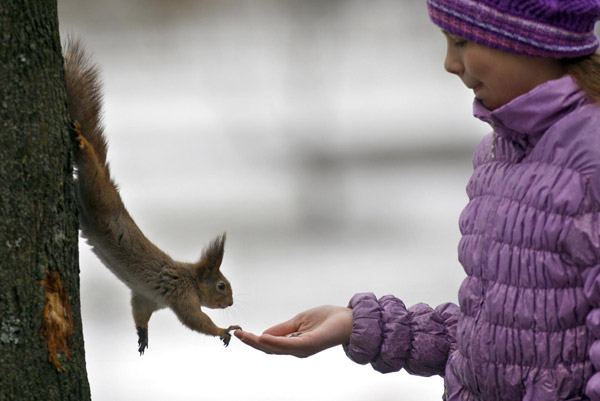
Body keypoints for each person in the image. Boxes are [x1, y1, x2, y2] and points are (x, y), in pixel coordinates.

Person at [235, 0, 600, 399]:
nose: (449, 62)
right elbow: (493, 347)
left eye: (461, 41)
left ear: (528, 37)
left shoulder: (589, 161)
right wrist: (356, 325)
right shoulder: (501, 154)